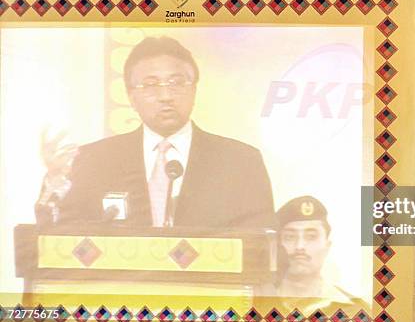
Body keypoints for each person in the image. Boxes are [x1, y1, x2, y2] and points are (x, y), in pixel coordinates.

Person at [36, 36, 274, 229]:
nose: (165, 96)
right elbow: (56, 237)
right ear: (131, 96)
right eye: (150, 85)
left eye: (176, 82)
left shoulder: (240, 162)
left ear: (194, 89)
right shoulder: (93, 161)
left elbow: (261, 247)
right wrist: (57, 181)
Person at [256, 196, 367, 314]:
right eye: (289, 237)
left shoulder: (355, 312)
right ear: (276, 246)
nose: (300, 246)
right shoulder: (254, 306)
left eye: (311, 237)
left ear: (327, 246)